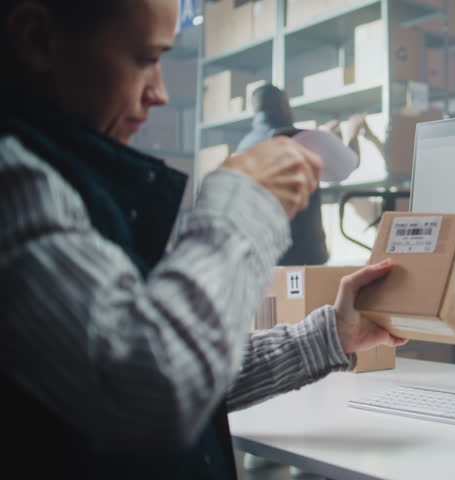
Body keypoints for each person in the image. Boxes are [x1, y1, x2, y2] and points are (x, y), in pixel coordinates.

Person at [0, 1, 406, 479]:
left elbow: (183, 367)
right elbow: (151, 389)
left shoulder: (68, 178)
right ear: (36, 38)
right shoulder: (15, 183)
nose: (161, 93)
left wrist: (330, 336)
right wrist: (243, 200)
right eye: (147, 59)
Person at [237, 84, 362, 266]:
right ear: (284, 105)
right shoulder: (300, 138)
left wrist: (325, 138)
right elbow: (350, 164)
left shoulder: (243, 148)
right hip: (301, 260)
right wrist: (352, 133)